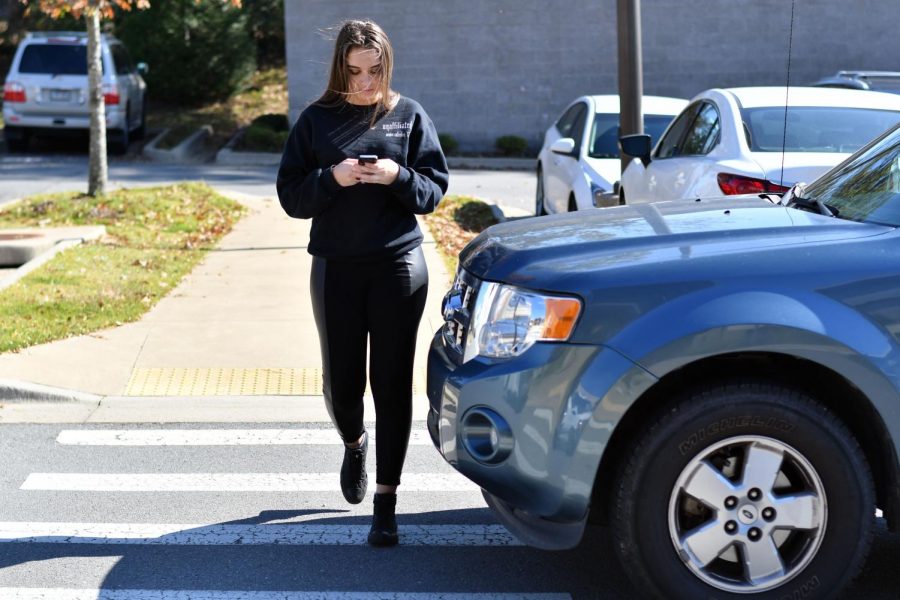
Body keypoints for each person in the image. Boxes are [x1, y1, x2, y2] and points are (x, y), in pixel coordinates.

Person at [276, 19, 449, 547]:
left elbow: (433, 189)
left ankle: (386, 501)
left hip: (398, 266)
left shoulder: (409, 115)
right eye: (355, 72)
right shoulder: (317, 120)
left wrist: (398, 177)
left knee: (392, 385)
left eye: (374, 71)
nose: (366, 83)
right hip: (336, 267)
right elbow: (291, 196)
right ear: (340, 68)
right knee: (343, 385)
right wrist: (333, 178)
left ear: (386, 66)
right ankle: (354, 442)